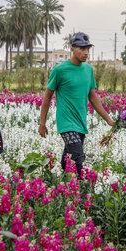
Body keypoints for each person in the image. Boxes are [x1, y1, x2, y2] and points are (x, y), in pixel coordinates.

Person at [38, 32, 114, 177]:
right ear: (72, 49)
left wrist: (108, 119)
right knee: (79, 158)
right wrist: (42, 123)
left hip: (81, 123)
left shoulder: (88, 70)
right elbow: (47, 98)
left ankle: (59, 183)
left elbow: (93, 97)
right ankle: (81, 188)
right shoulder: (59, 71)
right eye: (82, 49)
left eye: (88, 49)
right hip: (66, 123)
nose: (86, 53)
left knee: (68, 158)